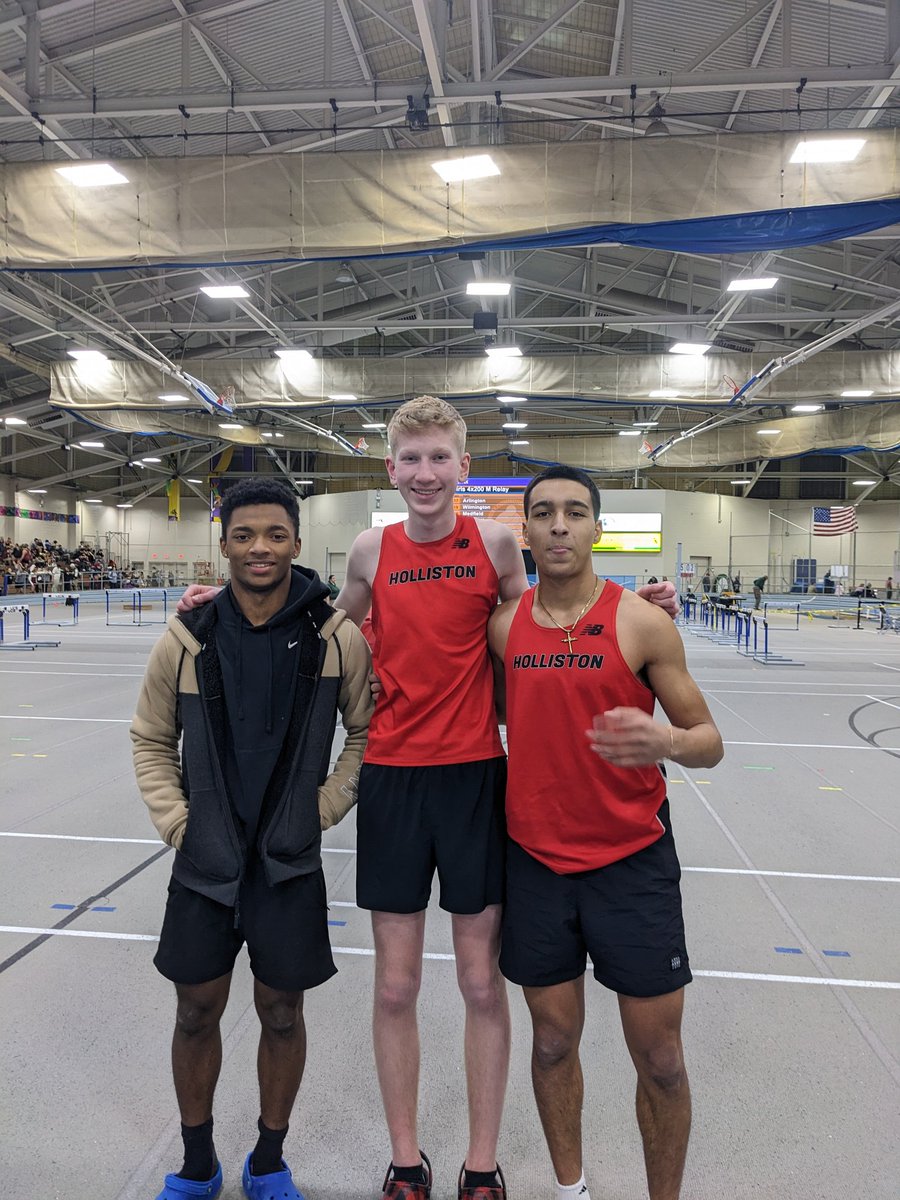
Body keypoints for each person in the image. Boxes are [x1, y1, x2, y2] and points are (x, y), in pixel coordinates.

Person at [177, 397, 680, 1200]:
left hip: (478, 779)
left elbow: (549, 609)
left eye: (439, 457)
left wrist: (636, 606)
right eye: (410, 459)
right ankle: (405, 1159)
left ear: (464, 467)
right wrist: (224, 606)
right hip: (393, 782)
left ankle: (481, 1165)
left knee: (483, 985)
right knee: (397, 986)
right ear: (390, 469)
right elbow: (319, 627)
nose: (424, 473)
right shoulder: (373, 549)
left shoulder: (496, 543)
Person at [130, 478, 374, 1200]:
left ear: (296, 543)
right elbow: (150, 739)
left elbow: (365, 734)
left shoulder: (338, 637)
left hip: (288, 864)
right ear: (224, 544)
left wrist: (324, 809)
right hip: (204, 864)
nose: (259, 548)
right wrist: (178, 822)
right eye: (244, 535)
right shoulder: (186, 637)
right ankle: (197, 1161)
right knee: (195, 1010)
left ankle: (268, 1159)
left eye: (274, 534)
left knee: (282, 1013)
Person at [487, 465, 723, 1200]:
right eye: (545, 513)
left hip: (633, 864)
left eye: (575, 512)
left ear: (597, 528)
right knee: (553, 1043)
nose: (559, 525)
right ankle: (571, 1190)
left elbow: (708, 738)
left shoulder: (641, 622)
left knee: (661, 1060)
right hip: (534, 863)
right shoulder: (502, 629)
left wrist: (666, 744)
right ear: (524, 531)